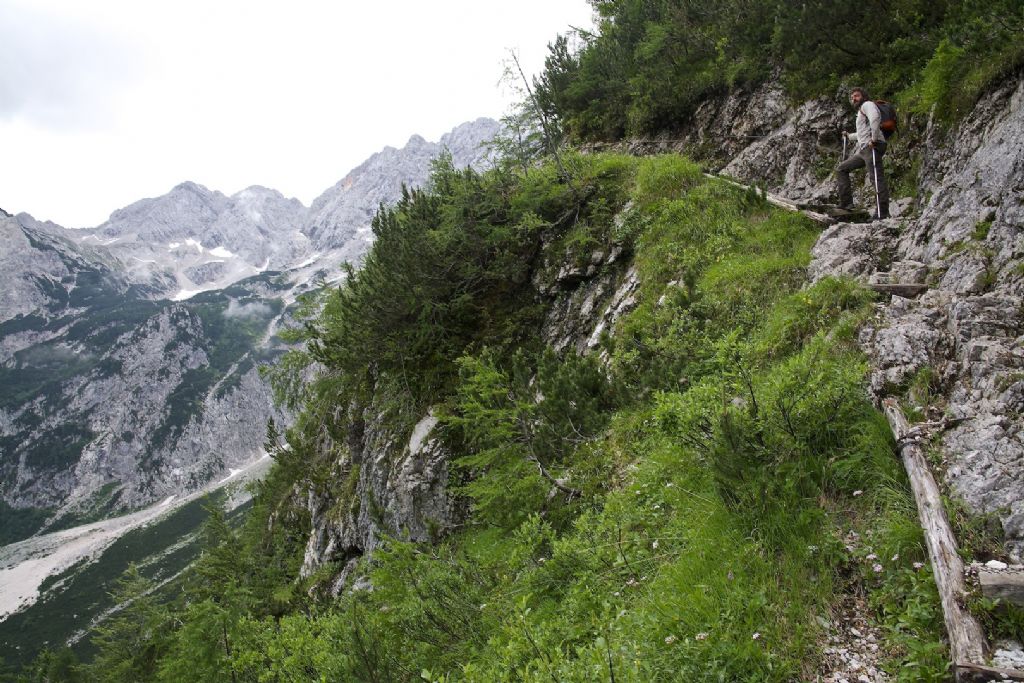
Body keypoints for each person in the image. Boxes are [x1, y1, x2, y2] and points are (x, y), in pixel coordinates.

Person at [837, 87, 889, 219]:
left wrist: (874, 139)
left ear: (863, 96)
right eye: (852, 97)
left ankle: (882, 213)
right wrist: (849, 136)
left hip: (872, 147)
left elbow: (875, 119)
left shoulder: (867, 105)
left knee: (876, 178)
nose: (854, 98)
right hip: (865, 149)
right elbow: (862, 134)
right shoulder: (861, 112)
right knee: (842, 169)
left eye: (856, 96)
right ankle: (846, 203)